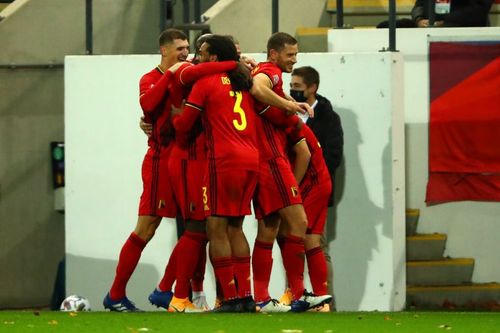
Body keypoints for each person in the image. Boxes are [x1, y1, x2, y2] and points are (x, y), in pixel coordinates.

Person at [148, 37, 240, 313]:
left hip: (202, 158)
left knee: (205, 230)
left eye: (195, 51)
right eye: (187, 50)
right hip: (188, 158)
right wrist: (236, 64)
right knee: (197, 228)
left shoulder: (219, 78)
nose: (191, 55)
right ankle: (176, 295)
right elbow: (197, 73)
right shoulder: (186, 71)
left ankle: (176, 291)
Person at [103, 28, 189, 312]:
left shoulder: (189, 75)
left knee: (198, 229)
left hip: (187, 161)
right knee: (147, 227)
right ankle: (116, 295)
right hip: (160, 162)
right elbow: (148, 104)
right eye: (179, 48)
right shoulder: (151, 78)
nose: (185, 53)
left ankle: (166, 289)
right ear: (164, 51)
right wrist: (170, 74)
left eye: (187, 48)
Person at [172, 35, 259, 312]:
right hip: (250, 159)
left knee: (215, 227)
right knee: (236, 227)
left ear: (214, 57)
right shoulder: (243, 81)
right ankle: (246, 296)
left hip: (223, 160)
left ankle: (230, 298)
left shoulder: (205, 82)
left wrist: (174, 115)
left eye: (204, 52)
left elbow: (184, 125)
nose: (200, 55)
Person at [249, 32, 332, 313]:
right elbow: (258, 87)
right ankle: (299, 295)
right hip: (274, 165)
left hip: (270, 164)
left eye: (296, 55)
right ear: (274, 54)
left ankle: (264, 296)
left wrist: (285, 101)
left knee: (271, 229)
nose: (294, 60)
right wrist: (290, 105)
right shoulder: (268, 73)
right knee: (299, 226)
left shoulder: (269, 76)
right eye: (290, 55)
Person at [286, 66, 343, 311]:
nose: (293, 91)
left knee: (314, 242)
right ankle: (299, 294)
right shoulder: (288, 111)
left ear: (313, 88)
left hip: (311, 187)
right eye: (292, 87)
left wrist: (307, 179)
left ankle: (323, 298)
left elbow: (332, 155)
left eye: (298, 87)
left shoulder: (328, 117)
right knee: (295, 242)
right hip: (291, 185)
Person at [412, 0, 493, 27]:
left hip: (465, 35)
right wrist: (419, 19)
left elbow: (480, 10)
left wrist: (446, 22)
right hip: (428, 34)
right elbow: (419, 5)